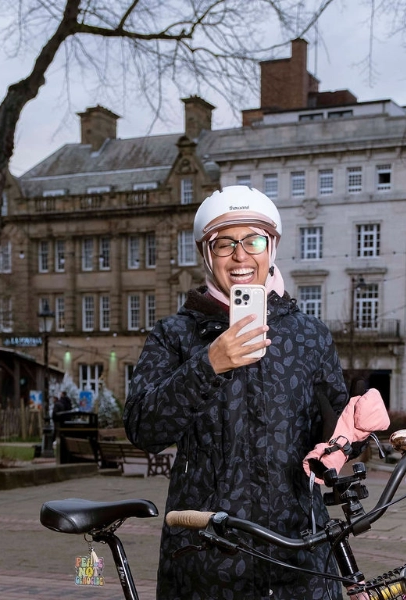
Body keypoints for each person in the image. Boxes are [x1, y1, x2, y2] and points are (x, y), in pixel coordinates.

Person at [124, 186, 349, 599]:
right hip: (208, 552)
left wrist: (351, 434)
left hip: (298, 551)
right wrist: (208, 365)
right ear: (207, 255)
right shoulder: (175, 334)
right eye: (225, 243)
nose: (241, 256)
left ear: (272, 247)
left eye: (253, 241)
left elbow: (334, 433)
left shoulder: (310, 335)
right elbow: (144, 429)